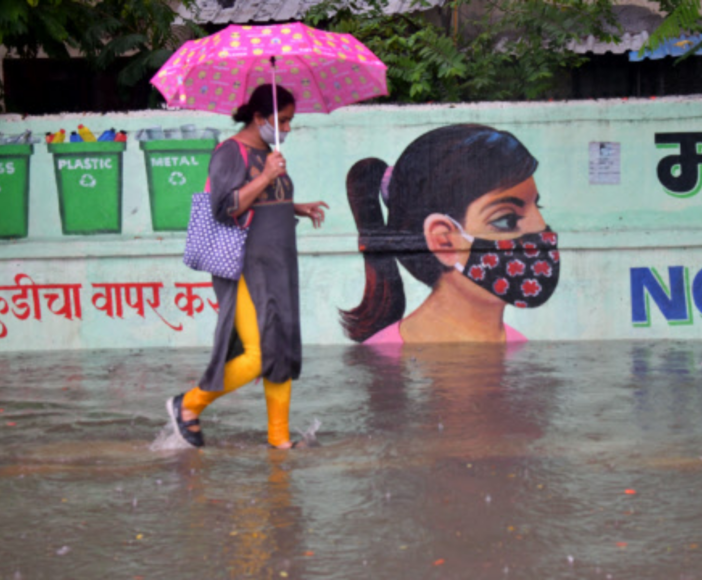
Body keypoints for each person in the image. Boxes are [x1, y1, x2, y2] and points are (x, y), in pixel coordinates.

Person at [167, 85, 329, 449]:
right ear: (258, 118)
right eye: (282, 120)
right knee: (258, 355)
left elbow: (264, 203)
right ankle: (188, 405)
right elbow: (225, 207)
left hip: (278, 265)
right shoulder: (231, 152)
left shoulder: (268, 153)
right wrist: (267, 176)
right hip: (246, 267)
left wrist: (297, 206)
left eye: (290, 121)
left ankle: (280, 440)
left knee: (280, 350)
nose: (287, 128)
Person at [342, 124, 561, 344]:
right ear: (443, 240)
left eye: (537, 206)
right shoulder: (386, 357)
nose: (541, 229)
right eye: (507, 220)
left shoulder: (518, 346)